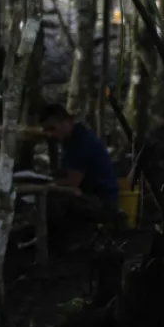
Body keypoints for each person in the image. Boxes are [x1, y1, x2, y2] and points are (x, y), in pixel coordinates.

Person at [40, 103, 121, 240]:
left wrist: (46, 184)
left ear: (67, 122)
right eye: (46, 130)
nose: (49, 134)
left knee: (53, 199)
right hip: (92, 196)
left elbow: (72, 182)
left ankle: (70, 241)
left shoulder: (81, 142)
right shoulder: (71, 138)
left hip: (103, 202)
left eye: (52, 129)